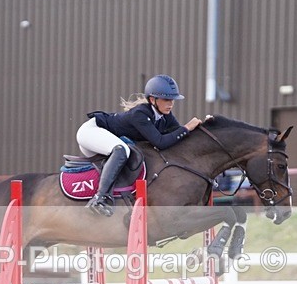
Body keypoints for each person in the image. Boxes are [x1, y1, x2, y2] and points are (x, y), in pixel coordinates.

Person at [77, 74, 203, 216]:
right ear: (152, 100)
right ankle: (99, 199)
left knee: (125, 155)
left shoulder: (165, 116)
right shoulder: (140, 114)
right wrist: (187, 127)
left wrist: (203, 128)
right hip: (90, 132)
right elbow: (161, 142)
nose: (171, 104)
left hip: (103, 138)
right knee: (122, 150)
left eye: (172, 100)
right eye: (166, 99)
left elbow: (178, 136)